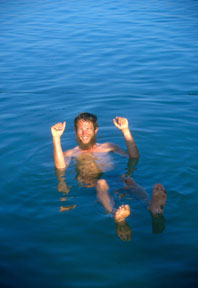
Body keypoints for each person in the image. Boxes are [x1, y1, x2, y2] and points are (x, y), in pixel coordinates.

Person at [51, 112, 167, 224]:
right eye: (80, 129)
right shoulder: (71, 153)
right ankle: (115, 212)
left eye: (88, 129)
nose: (84, 133)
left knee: (128, 179)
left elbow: (134, 157)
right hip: (90, 183)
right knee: (102, 183)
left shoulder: (108, 146)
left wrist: (125, 130)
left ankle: (151, 206)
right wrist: (56, 138)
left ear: (95, 130)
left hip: (113, 178)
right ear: (76, 131)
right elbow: (61, 168)